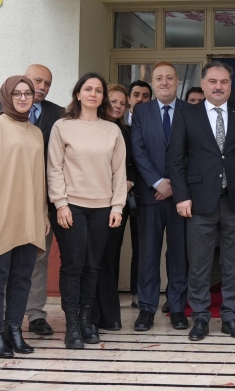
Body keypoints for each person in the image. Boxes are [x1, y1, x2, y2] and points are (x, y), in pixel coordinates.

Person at [168, 61, 235, 341]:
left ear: (230, 86)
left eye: (223, 82)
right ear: (204, 83)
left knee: (233, 263)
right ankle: (200, 318)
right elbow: (175, 160)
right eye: (212, 81)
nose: (218, 86)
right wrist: (182, 196)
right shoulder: (187, 115)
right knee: (199, 263)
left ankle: (231, 317)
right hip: (198, 202)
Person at [47, 73, 128, 349]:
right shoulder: (62, 127)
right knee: (73, 266)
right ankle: (71, 326)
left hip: (102, 208)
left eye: (98, 90)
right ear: (78, 94)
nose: (93, 94)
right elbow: (54, 168)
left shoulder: (112, 130)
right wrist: (60, 203)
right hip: (72, 207)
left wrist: (117, 205)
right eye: (88, 89)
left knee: (93, 266)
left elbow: (119, 172)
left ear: (103, 97)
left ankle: (85, 321)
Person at [0, 64, 61, 338]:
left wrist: (45, 211)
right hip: (2, 205)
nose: (40, 88)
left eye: (46, 84)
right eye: (35, 81)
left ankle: (26, 322)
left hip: (34, 205)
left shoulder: (51, 118)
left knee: (29, 267)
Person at [0, 76, 49, 358]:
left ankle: (13, 330)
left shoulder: (36, 132)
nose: (22, 98)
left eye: (27, 93)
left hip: (28, 216)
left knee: (22, 277)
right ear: (6, 95)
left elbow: (39, 178)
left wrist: (43, 214)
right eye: (16, 93)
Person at [131, 62, 190, 332]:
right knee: (148, 255)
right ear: (152, 83)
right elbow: (138, 150)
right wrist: (157, 181)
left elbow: (196, 152)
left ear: (178, 81)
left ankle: (177, 308)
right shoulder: (141, 111)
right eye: (159, 78)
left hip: (181, 198)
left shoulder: (192, 111)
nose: (164, 82)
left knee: (179, 255)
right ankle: (146, 309)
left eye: (169, 77)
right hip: (150, 195)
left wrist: (175, 186)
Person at [92, 84, 141, 331]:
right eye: (114, 101)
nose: (118, 106)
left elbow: (134, 163)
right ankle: (90, 314)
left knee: (110, 256)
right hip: (90, 201)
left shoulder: (128, 132)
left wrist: (129, 180)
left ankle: (109, 316)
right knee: (92, 258)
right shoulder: (91, 127)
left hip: (117, 203)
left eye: (122, 103)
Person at [126, 79, 152, 306]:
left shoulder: (151, 120)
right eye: (136, 94)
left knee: (140, 247)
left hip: (143, 194)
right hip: (115, 194)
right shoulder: (118, 123)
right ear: (129, 98)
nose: (140, 99)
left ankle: (137, 293)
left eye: (145, 95)